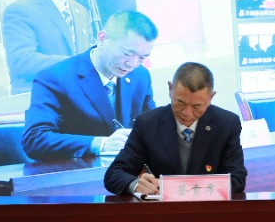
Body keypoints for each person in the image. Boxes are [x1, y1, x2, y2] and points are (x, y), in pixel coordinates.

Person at [21, 10, 158, 162]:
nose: (132, 64)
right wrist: (100, 144)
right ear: (102, 39)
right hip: (77, 171)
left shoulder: (140, 76)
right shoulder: (54, 78)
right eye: (126, 53)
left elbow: (152, 126)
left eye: (142, 58)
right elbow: (34, 139)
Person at [104, 62, 247, 196]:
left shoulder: (226, 124)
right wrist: (135, 185)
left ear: (211, 97)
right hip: (163, 210)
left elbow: (237, 180)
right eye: (180, 103)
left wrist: (184, 188)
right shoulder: (148, 124)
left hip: (208, 209)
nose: (187, 113)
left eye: (196, 107)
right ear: (170, 89)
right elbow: (114, 173)